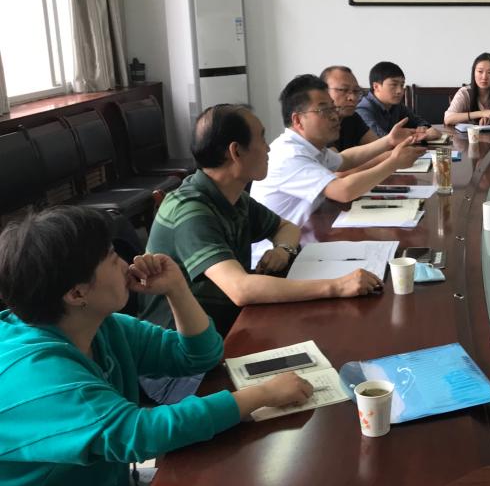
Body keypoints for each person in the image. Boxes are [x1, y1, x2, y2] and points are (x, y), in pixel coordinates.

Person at [0, 207, 312, 486]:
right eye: (112, 258)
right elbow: (139, 434)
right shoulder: (34, 373)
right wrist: (261, 395)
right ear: (76, 293)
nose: (126, 265)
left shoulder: (102, 328)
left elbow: (199, 355)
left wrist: (177, 289)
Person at [139, 104, 380, 346]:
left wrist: (282, 250)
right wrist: (337, 286)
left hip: (227, 325)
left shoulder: (233, 196)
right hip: (181, 351)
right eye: (262, 139)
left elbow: (286, 227)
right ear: (236, 151)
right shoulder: (191, 210)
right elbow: (240, 289)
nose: (268, 148)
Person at [250, 75, 424, 260]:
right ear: (298, 120)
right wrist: (393, 163)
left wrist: (388, 141)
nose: (335, 116)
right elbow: (343, 191)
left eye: (333, 108)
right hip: (277, 258)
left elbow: (345, 159)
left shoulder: (309, 146)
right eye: (324, 110)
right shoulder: (289, 155)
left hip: (308, 240)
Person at [355, 61, 442, 140]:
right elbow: (380, 140)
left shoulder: (396, 105)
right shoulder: (363, 109)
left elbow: (418, 121)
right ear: (376, 87)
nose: (400, 91)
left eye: (402, 85)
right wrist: (420, 135)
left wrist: (423, 128)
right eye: (394, 85)